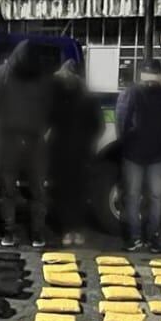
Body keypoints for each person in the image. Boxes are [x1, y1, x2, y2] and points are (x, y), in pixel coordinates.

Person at [114, 58, 161, 253]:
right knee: (155, 198)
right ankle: (151, 238)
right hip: (156, 154)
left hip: (137, 154)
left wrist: (125, 143)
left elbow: (122, 122)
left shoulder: (131, 93)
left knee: (135, 197)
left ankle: (136, 238)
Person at [0, 40, 52, 248]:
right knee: (37, 191)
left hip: (8, 141)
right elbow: (49, 109)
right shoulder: (43, 76)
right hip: (35, 141)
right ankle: (37, 234)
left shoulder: (1, 74)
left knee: (8, 191)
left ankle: (9, 233)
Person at [49, 59, 105, 246]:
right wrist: (90, 144)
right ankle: (77, 231)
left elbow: (50, 122)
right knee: (79, 194)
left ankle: (66, 231)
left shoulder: (57, 96)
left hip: (61, 152)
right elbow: (99, 127)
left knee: (63, 194)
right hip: (82, 153)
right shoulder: (89, 98)